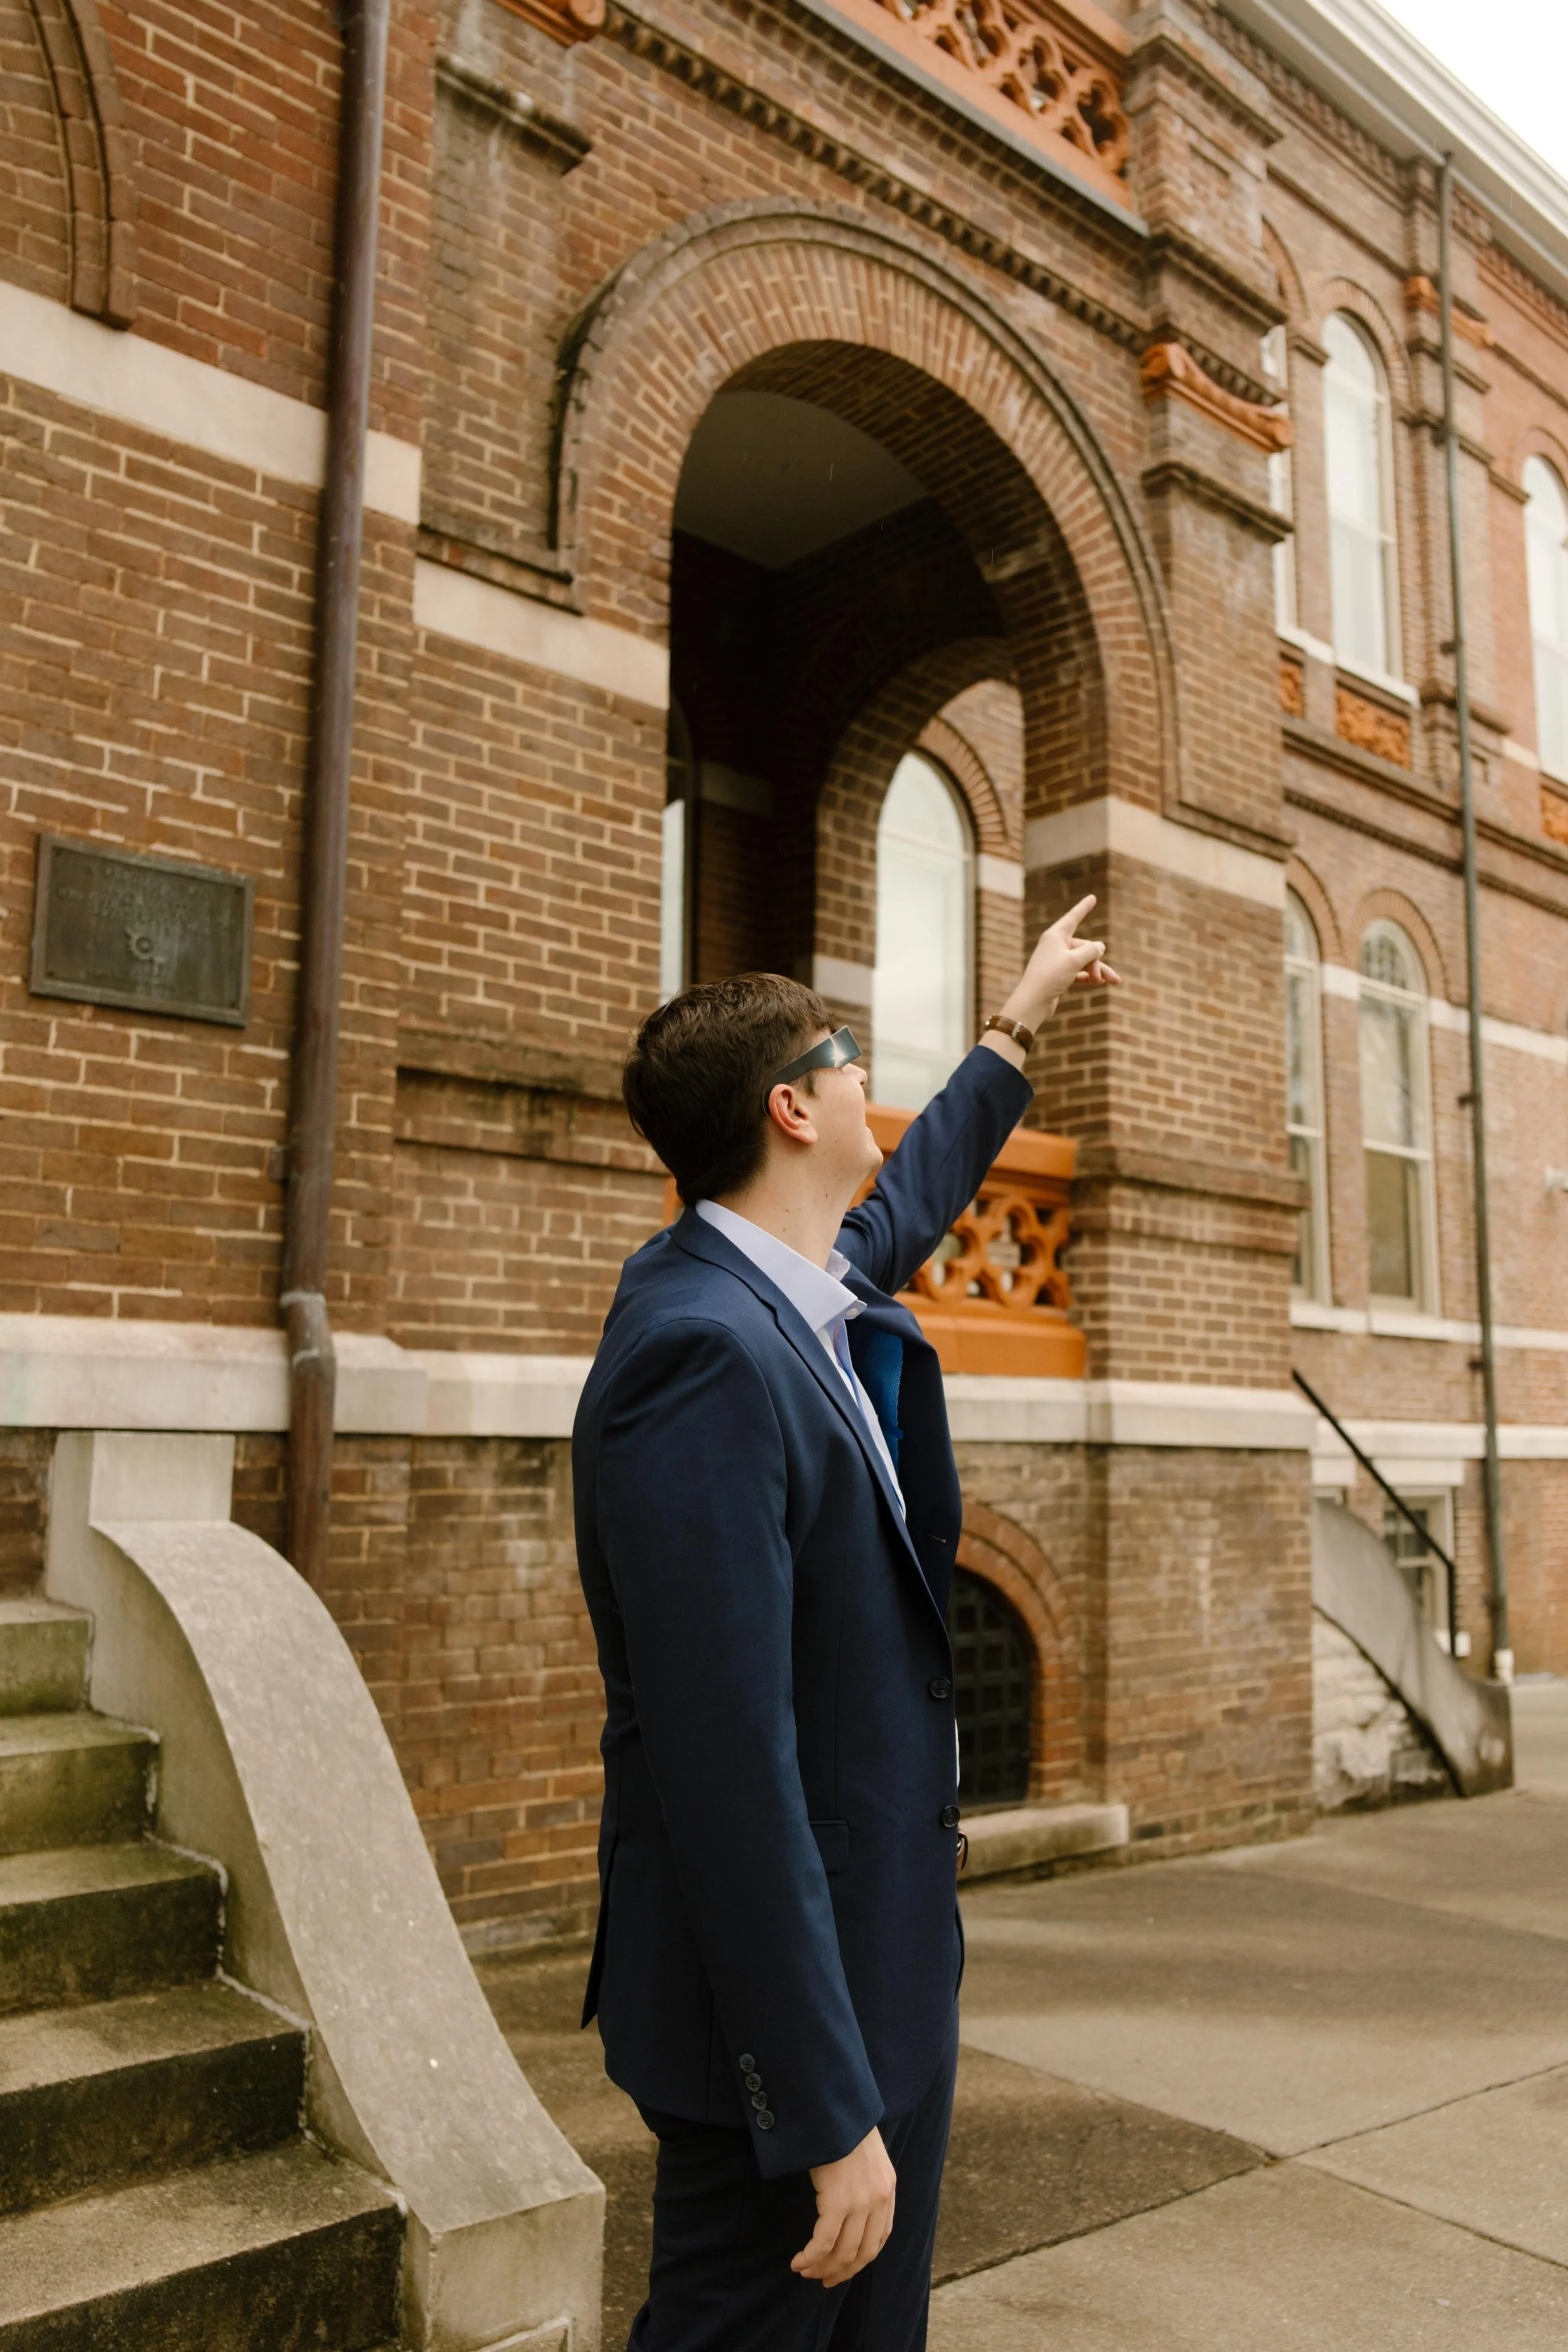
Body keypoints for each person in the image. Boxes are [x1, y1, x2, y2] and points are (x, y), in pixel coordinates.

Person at [573, 896, 1119, 2351]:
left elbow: (909, 1197)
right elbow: (724, 1768)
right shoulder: (696, 1354)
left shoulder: (791, 1286)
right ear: (792, 1106)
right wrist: (819, 2105)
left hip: (879, 1962)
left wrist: (1018, 1021)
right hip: (782, 2024)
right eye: (848, 1053)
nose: (867, 1078)